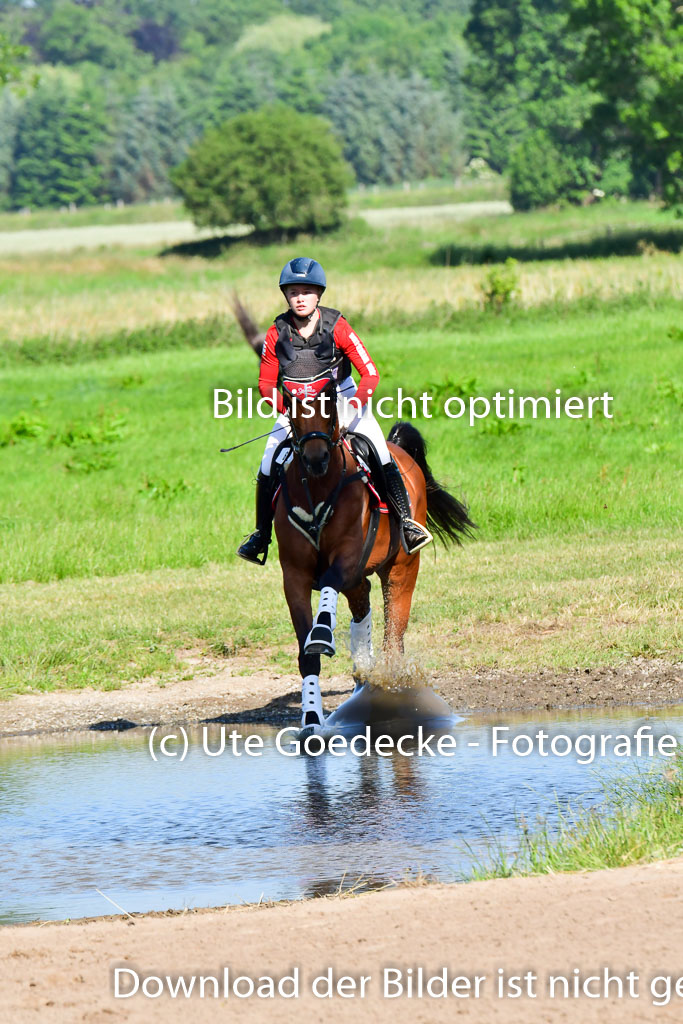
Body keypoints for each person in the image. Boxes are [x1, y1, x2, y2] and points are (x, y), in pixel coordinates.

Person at [237, 257, 432, 564]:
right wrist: (287, 410)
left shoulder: (337, 325)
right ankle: (261, 535)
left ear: (319, 295)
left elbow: (370, 373)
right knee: (267, 463)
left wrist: (355, 405)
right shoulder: (276, 333)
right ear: (285, 296)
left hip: (341, 398)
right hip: (297, 407)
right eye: (293, 292)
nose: (299, 298)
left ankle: (407, 523)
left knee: (379, 450)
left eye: (307, 291)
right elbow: (265, 384)